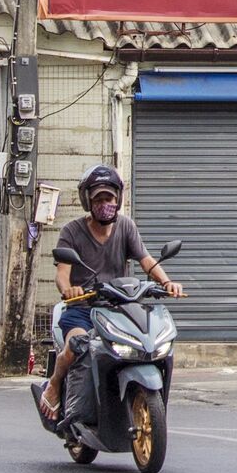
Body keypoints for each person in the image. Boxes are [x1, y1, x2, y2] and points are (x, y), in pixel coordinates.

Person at [39, 164, 183, 420]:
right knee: (77, 344)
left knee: (148, 342)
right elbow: (62, 273)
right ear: (88, 201)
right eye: (99, 199)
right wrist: (69, 289)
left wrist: (167, 283)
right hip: (83, 308)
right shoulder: (71, 231)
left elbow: (147, 261)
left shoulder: (126, 227)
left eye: (109, 198)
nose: (105, 203)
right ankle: (54, 383)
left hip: (121, 306)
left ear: (118, 199)